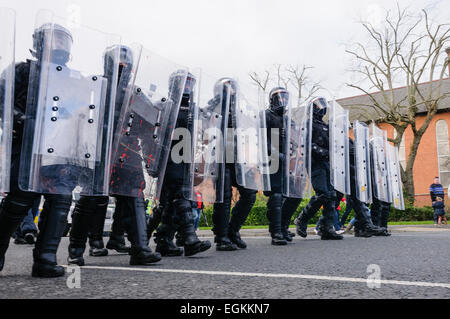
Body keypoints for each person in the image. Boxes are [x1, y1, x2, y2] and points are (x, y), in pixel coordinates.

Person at [68, 45, 161, 266]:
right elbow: (77, 117)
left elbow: (150, 124)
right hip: (97, 148)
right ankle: (76, 250)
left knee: (135, 196)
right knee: (91, 197)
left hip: (126, 150)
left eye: (125, 61)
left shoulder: (134, 93)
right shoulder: (94, 86)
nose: (122, 64)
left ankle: (140, 248)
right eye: (118, 60)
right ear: (108, 62)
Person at [153, 71, 211, 257]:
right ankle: (189, 239)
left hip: (185, 160)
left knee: (170, 204)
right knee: (181, 196)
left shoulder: (194, 110)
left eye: (190, 84)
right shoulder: (165, 105)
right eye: (184, 84)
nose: (187, 88)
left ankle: (163, 240)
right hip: (169, 159)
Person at [211, 78, 259, 251]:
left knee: (250, 193)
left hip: (239, 157)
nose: (230, 90)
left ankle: (233, 230)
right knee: (223, 196)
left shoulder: (240, 109)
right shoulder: (213, 106)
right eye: (226, 87)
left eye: (233, 88)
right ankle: (221, 237)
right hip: (221, 155)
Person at [293, 97, 344, 240]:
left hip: (327, 162)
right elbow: (306, 143)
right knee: (322, 193)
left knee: (332, 195)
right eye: (318, 105)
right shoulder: (308, 123)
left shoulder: (326, 125)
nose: (322, 108)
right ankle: (302, 219)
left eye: (323, 105)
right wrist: (323, 152)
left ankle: (326, 228)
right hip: (315, 162)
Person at [264, 87, 290, 245]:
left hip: (286, 161)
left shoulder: (288, 119)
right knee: (276, 195)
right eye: (279, 97)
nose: (283, 100)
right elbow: (262, 139)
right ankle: (276, 231)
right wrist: (276, 154)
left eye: (285, 97)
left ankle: (283, 227)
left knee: (290, 195)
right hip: (271, 160)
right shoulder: (266, 115)